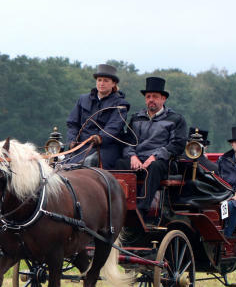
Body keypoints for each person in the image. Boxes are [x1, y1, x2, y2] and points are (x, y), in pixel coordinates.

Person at [115, 76, 187, 216]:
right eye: (148, 97)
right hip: (139, 159)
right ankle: (121, 204)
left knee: (154, 167)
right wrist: (132, 156)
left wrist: (155, 156)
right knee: (119, 163)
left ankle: (142, 208)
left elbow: (177, 144)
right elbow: (128, 141)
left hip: (164, 162)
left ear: (163, 99)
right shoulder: (136, 118)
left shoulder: (175, 119)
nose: (151, 100)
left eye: (155, 96)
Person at [65, 64, 130, 168]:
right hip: (82, 145)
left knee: (89, 164)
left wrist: (100, 137)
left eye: (105, 80)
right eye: (99, 80)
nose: (101, 83)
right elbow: (73, 123)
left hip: (106, 148)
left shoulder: (120, 104)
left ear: (113, 83)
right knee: (63, 166)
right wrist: (72, 140)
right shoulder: (83, 99)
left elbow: (113, 128)